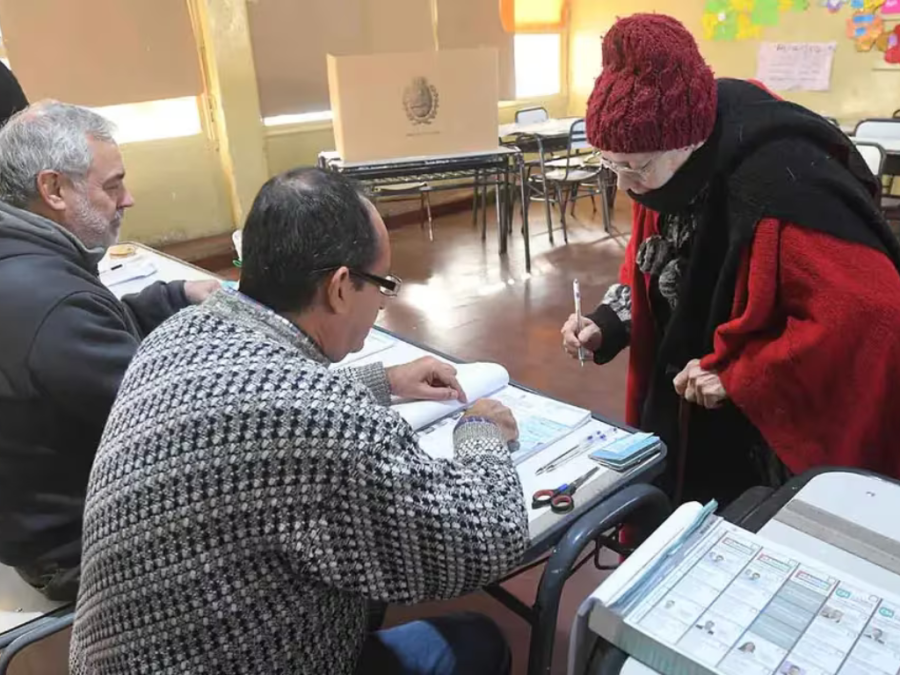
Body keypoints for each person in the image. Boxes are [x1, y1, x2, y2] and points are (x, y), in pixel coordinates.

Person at [69, 168, 530, 675]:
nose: (381, 301)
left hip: (119, 654)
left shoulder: (178, 333)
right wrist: (481, 431)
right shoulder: (319, 418)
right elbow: (485, 538)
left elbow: (243, 412)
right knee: (477, 639)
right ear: (338, 288)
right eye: (382, 285)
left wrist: (387, 381)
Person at [562, 13, 900, 505]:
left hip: (756, 447)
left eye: (632, 168)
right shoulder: (661, 167)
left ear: (690, 142)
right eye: (608, 164)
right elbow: (656, 269)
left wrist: (744, 373)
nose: (623, 185)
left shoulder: (785, 185)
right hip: (685, 400)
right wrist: (608, 320)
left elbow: (875, 315)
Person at [0, 101, 219, 601]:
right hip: (76, 550)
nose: (129, 199)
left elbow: (87, 340)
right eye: (113, 185)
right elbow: (191, 421)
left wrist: (176, 296)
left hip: (36, 523)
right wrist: (371, 384)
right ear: (53, 190)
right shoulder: (54, 306)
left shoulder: (22, 261)